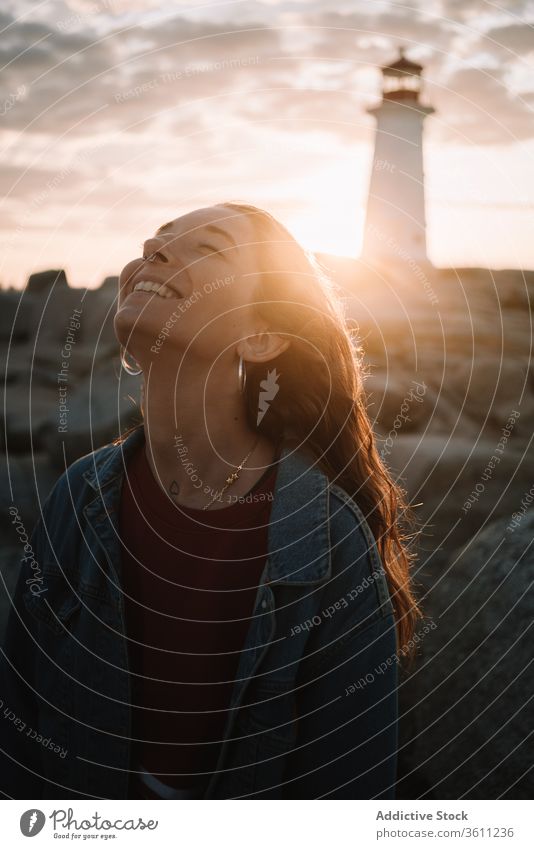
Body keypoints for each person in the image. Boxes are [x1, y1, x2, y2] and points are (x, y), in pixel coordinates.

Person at [0, 202, 421, 800]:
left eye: (209, 247)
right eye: (159, 236)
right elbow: (17, 714)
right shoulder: (80, 494)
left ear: (262, 336)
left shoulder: (327, 539)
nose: (154, 245)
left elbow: (348, 787)